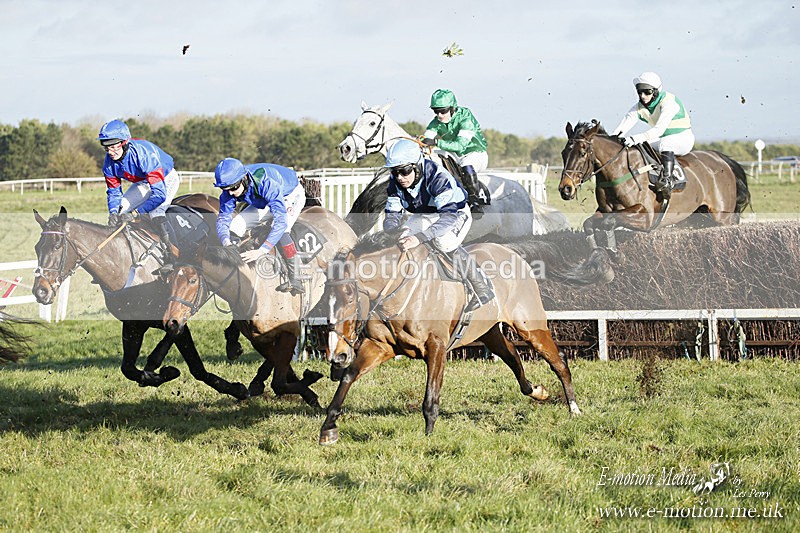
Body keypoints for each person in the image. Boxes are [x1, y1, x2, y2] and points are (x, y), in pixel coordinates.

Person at [383, 139, 494, 313]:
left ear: (417, 166)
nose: (399, 178)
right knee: (400, 238)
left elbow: (448, 217)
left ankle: (482, 288)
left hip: (455, 213)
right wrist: (392, 233)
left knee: (443, 242)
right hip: (426, 214)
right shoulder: (395, 182)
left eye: (404, 171)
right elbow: (392, 215)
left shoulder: (438, 177)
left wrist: (419, 238)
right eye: (395, 172)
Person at [214, 158, 305, 295]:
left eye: (233, 188)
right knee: (235, 226)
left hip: (289, 194)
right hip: (263, 199)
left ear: (244, 179)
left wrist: (262, 251)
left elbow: (281, 222)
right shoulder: (230, 189)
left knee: (282, 231)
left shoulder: (265, 182)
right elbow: (223, 219)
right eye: (225, 189)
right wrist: (226, 242)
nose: (231, 193)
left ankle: (296, 278)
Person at [98, 119, 180, 264]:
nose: (110, 152)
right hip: (143, 182)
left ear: (124, 143)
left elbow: (159, 195)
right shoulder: (108, 164)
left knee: (156, 213)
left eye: (114, 147)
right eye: (107, 148)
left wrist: (137, 212)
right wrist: (113, 212)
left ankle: (173, 256)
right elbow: (114, 192)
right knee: (121, 210)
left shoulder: (144, 155)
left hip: (165, 178)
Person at [612, 72, 695, 199]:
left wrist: (634, 138)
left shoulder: (668, 102)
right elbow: (620, 130)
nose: (642, 96)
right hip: (663, 139)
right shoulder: (638, 107)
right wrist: (610, 140)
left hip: (683, 139)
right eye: (640, 92)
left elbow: (658, 131)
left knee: (664, 144)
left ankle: (667, 180)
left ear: (656, 91)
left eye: (647, 92)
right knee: (638, 147)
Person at [421, 89, 490, 210]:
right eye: (436, 111)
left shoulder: (466, 118)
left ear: (452, 108)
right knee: (430, 156)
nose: (439, 115)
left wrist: (436, 142)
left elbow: (459, 146)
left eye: (443, 111)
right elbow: (426, 138)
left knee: (466, 164)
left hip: (475, 153)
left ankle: (474, 201)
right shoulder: (436, 122)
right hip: (455, 154)